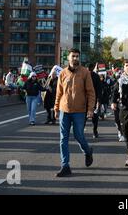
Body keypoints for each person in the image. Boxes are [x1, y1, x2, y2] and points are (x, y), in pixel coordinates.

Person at [54, 49, 96, 177]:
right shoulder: (63, 73)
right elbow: (59, 92)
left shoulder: (85, 73)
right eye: (73, 56)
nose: (76, 58)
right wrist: (56, 108)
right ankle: (65, 165)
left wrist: (90, 109)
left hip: (79, 110)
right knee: (63, 139)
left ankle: (88, 151)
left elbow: (90, 92)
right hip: (64, 110)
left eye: (77, 56)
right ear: (68, 58)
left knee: (78, 136)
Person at [111, 60, 128, 168]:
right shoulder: (120, 80)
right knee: (125, 132)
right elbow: (115, 92)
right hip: (123, 109)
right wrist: (113, 102)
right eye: (126, 65)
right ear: (124, 67)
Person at [87, 63, 102, 139]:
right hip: (83, 100)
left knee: (94, 117)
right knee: (82, 117)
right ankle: (80, 132)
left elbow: (99, 90)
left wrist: (98, 101)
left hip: (94, 99)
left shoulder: (96, 76)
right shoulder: (82, 76)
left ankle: (94, 131)